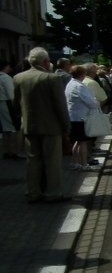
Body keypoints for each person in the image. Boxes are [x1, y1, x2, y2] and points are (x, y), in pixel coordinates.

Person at [13, 47, 71, 203]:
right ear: (46, 61)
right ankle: (53, 193)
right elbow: (60, 106)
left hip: (29, 126)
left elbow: (16, 104)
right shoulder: (51, 79)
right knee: (52, 161)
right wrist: (66, 126)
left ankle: (33, 192)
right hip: (51, 128)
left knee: (33, 161)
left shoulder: (18, 78)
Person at [65, 65, 101, 171]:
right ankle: (84, 164)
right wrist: (96, 101)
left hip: (73, 116)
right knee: (83, 142)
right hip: (81, 117)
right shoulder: (79, 86)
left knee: (78, 141)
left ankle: (75, 162)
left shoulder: (70, 84)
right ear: (82, 74)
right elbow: (90, 102)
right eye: (84, 73)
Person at [0, 59, 23, 159]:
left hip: (1, 104)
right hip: (8, 103)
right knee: (13, 128)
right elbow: (11, 94)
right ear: (5, 67)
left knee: (5, 128)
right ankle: (14, 152)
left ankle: (6, 150)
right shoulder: (6, 78)